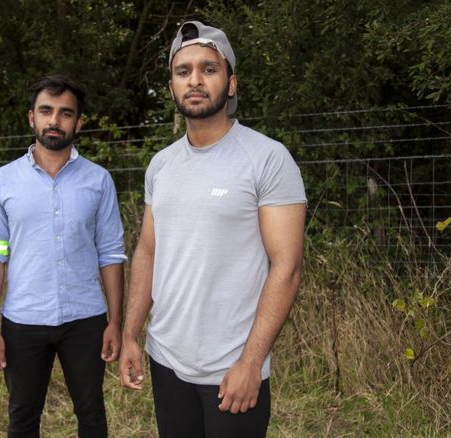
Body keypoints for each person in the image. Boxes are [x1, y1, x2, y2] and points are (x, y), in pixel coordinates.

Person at [119, 21, 307, 437]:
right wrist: (131, 334)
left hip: (232, 369)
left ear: (232, 83)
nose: (195, 80)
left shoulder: (268, 159)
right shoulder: (161, 165)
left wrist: (251, 363)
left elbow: (287, 267)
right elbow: (148, 251)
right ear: (171, 87)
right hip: (166, 358)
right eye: (183, 71)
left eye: (209, 68)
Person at [0, 74, 126, 438]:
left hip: (86, 320)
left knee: (92, 415)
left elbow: (111, 255)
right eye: (46, 111)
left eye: (65, 113)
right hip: (23, 320)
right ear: (32, 118)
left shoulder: (99, 180)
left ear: (78, 122)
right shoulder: (2, 181)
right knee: (23, 419)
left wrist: (115, 323)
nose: (54, 121)